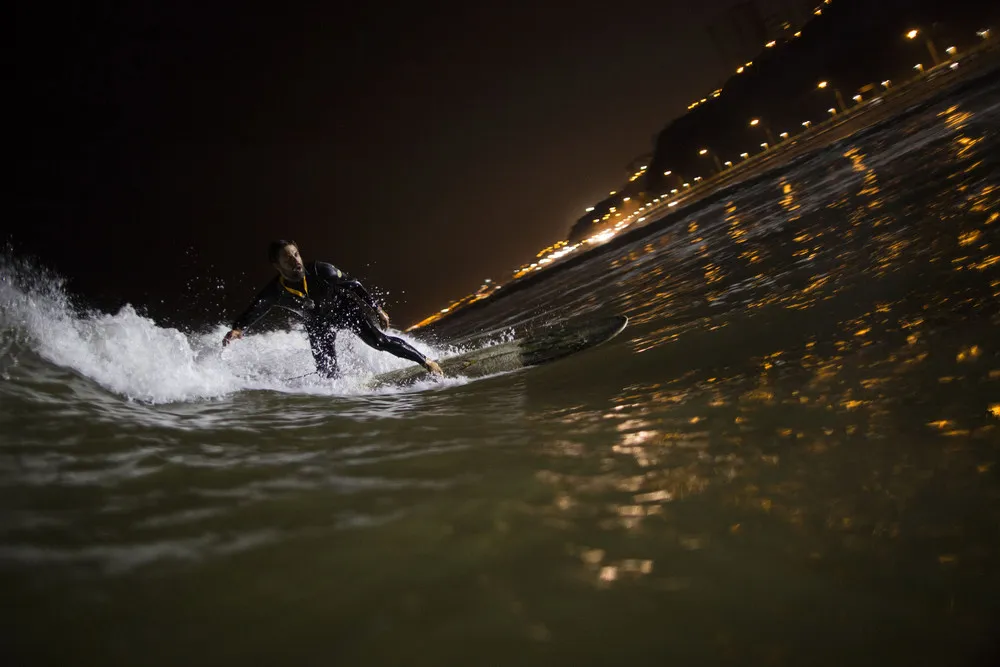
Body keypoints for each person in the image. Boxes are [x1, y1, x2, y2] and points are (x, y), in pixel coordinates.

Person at [223, 240, 443, 379]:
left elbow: (354, 285)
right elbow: (257, 307)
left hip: (344, 310)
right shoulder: (276, 289)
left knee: (379, 342)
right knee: (326, 370)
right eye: (287, 258)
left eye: (296, 254)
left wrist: (377, 308)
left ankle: (427, 361)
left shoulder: (321, 270)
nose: (295, 260)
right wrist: (238, 328)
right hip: (316, 321)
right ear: (277, 265)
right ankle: (342, 398)